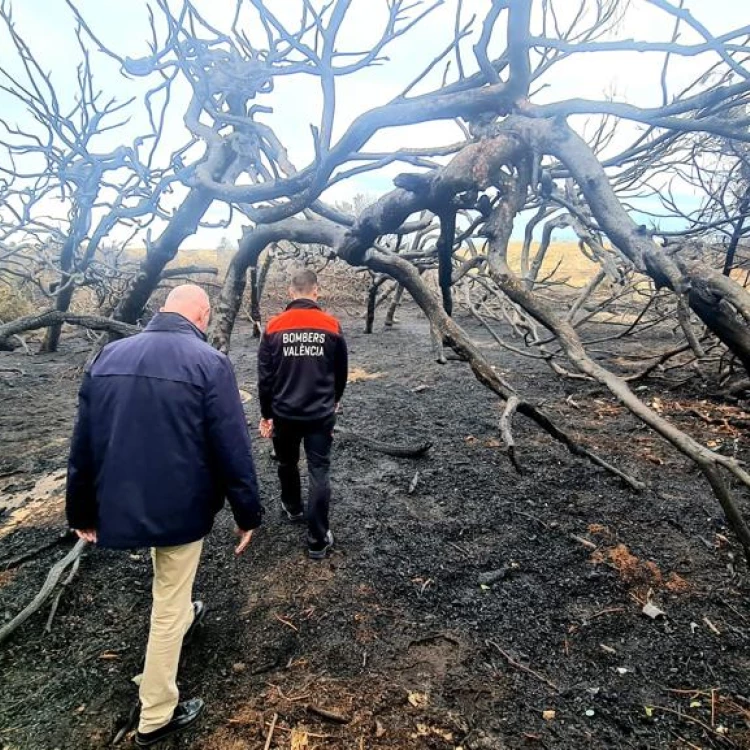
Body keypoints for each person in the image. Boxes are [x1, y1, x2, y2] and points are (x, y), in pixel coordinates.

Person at [66, 284, 263, 748]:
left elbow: (82, 446)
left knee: (170, 588)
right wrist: (247, 512)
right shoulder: (209, 363)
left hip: (123, 502)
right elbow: (232, 448)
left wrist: (80, 510)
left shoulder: (108, 355)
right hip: (180, 507)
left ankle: (185, 618)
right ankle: (156, 713)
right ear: (202, 314)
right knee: (168, 602)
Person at [257, 269, 348, 559]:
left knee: (287, 462)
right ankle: (317, 540)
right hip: (320, 415)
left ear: (290, 292)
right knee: (319, 470)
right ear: (316, 292)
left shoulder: (273, 327)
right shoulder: (331, 325)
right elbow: (341, 372)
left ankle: (292, 507)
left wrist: (266, 414)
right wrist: (334, 402)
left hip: (284, 413)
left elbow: (265, 378)